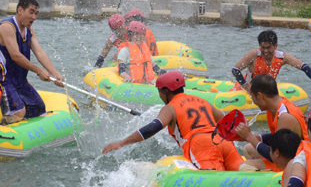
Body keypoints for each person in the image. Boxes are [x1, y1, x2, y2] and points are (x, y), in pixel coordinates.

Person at [103, 71, 243, 171]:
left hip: (201, 145)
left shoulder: (170, 108)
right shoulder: (202, 101)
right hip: (224, 142)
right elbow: (229, 122)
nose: (159, 96)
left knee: (216, 183)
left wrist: (121, 143)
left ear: (166, 91)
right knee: (244, 174)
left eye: (159, 92)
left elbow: (153, 128)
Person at [0, 0, 64, 124]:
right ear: (20, 10)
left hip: (20, 80)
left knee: (39, 109)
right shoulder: (7, 27)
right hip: (2, 80)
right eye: (31, 12)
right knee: (18, 112)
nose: (34, 17)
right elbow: (15, 56)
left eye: (36, 14)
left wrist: (55, 73)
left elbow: (39, 53)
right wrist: (39, 71)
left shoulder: (29, 30)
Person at [234, 74, 309, 171]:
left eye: (252, 96)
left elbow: (276, 156)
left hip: (298, 162)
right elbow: (276, 135)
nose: (252, 101)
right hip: (286, 154)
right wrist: (252, 137)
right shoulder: (275, 106)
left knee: (245, 166)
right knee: (248, 149)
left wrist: (250, 137)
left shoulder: (286, 117)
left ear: (260, 96)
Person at [232, 30, 311, 94]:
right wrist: (247, 88)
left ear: (276, 46)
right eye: (262, 47)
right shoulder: (254, 54)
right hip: (245, 90)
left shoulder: (282, 57)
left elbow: (304, 67)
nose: (265, 51)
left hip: (266, 91)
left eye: (268, 47)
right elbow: (235, 70)